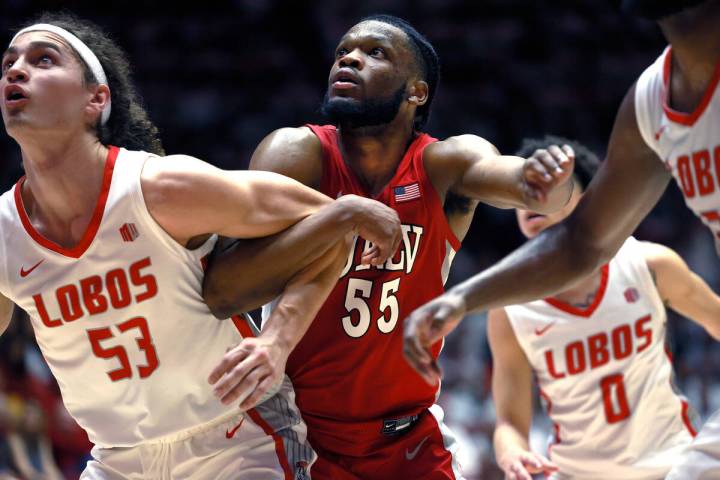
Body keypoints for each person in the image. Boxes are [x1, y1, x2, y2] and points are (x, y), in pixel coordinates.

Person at [0, 12, 402, 479]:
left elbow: (332, 222)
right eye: (8, 62)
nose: (15, 70)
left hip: (235, 438)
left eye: (43, 59)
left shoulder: (161, 188)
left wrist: (277, 340)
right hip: (117, 458)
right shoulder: (5, 233)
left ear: (96, 99)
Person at [203, 14, 575, 479]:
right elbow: (222, 290)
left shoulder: (444, 164)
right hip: (296, 434)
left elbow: (517, 182)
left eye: (375, 53)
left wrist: (544, 181)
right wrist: (338, 218)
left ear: (416, 92)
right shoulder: (296, 153)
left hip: (408, 441)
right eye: (343, 51)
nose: (350, 59)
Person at [401, 2, 720, 478]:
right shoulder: (651, 102)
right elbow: (578, 246)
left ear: (588, 197)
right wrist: (461, 300)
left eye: (550, 195)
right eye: (526, 201)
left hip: (664, 455)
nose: (535, 209)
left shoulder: (649, 263)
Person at [487, 136, 720, 480]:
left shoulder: (649, 263)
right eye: (524, 191)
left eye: (548, 185)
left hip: (673, 464)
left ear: (587, 200)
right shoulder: (509, 308)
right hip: (575, 472)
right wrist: (514, 454)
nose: (531, 200)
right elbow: (510, 422)